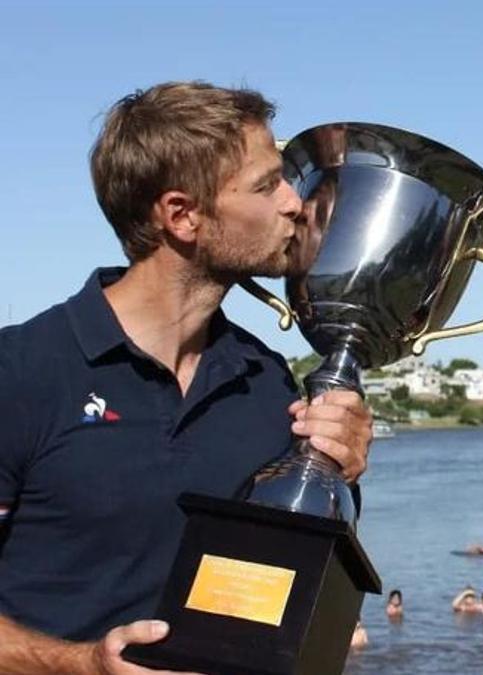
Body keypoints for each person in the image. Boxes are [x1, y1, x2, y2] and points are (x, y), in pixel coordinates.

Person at [0, 82, 374, 673]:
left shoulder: (267, 382)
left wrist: (340, 470)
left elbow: (283, 576)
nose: (295, 203)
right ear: (182, 214)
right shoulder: (20, 371)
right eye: (265, 184)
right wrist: (81, 662)